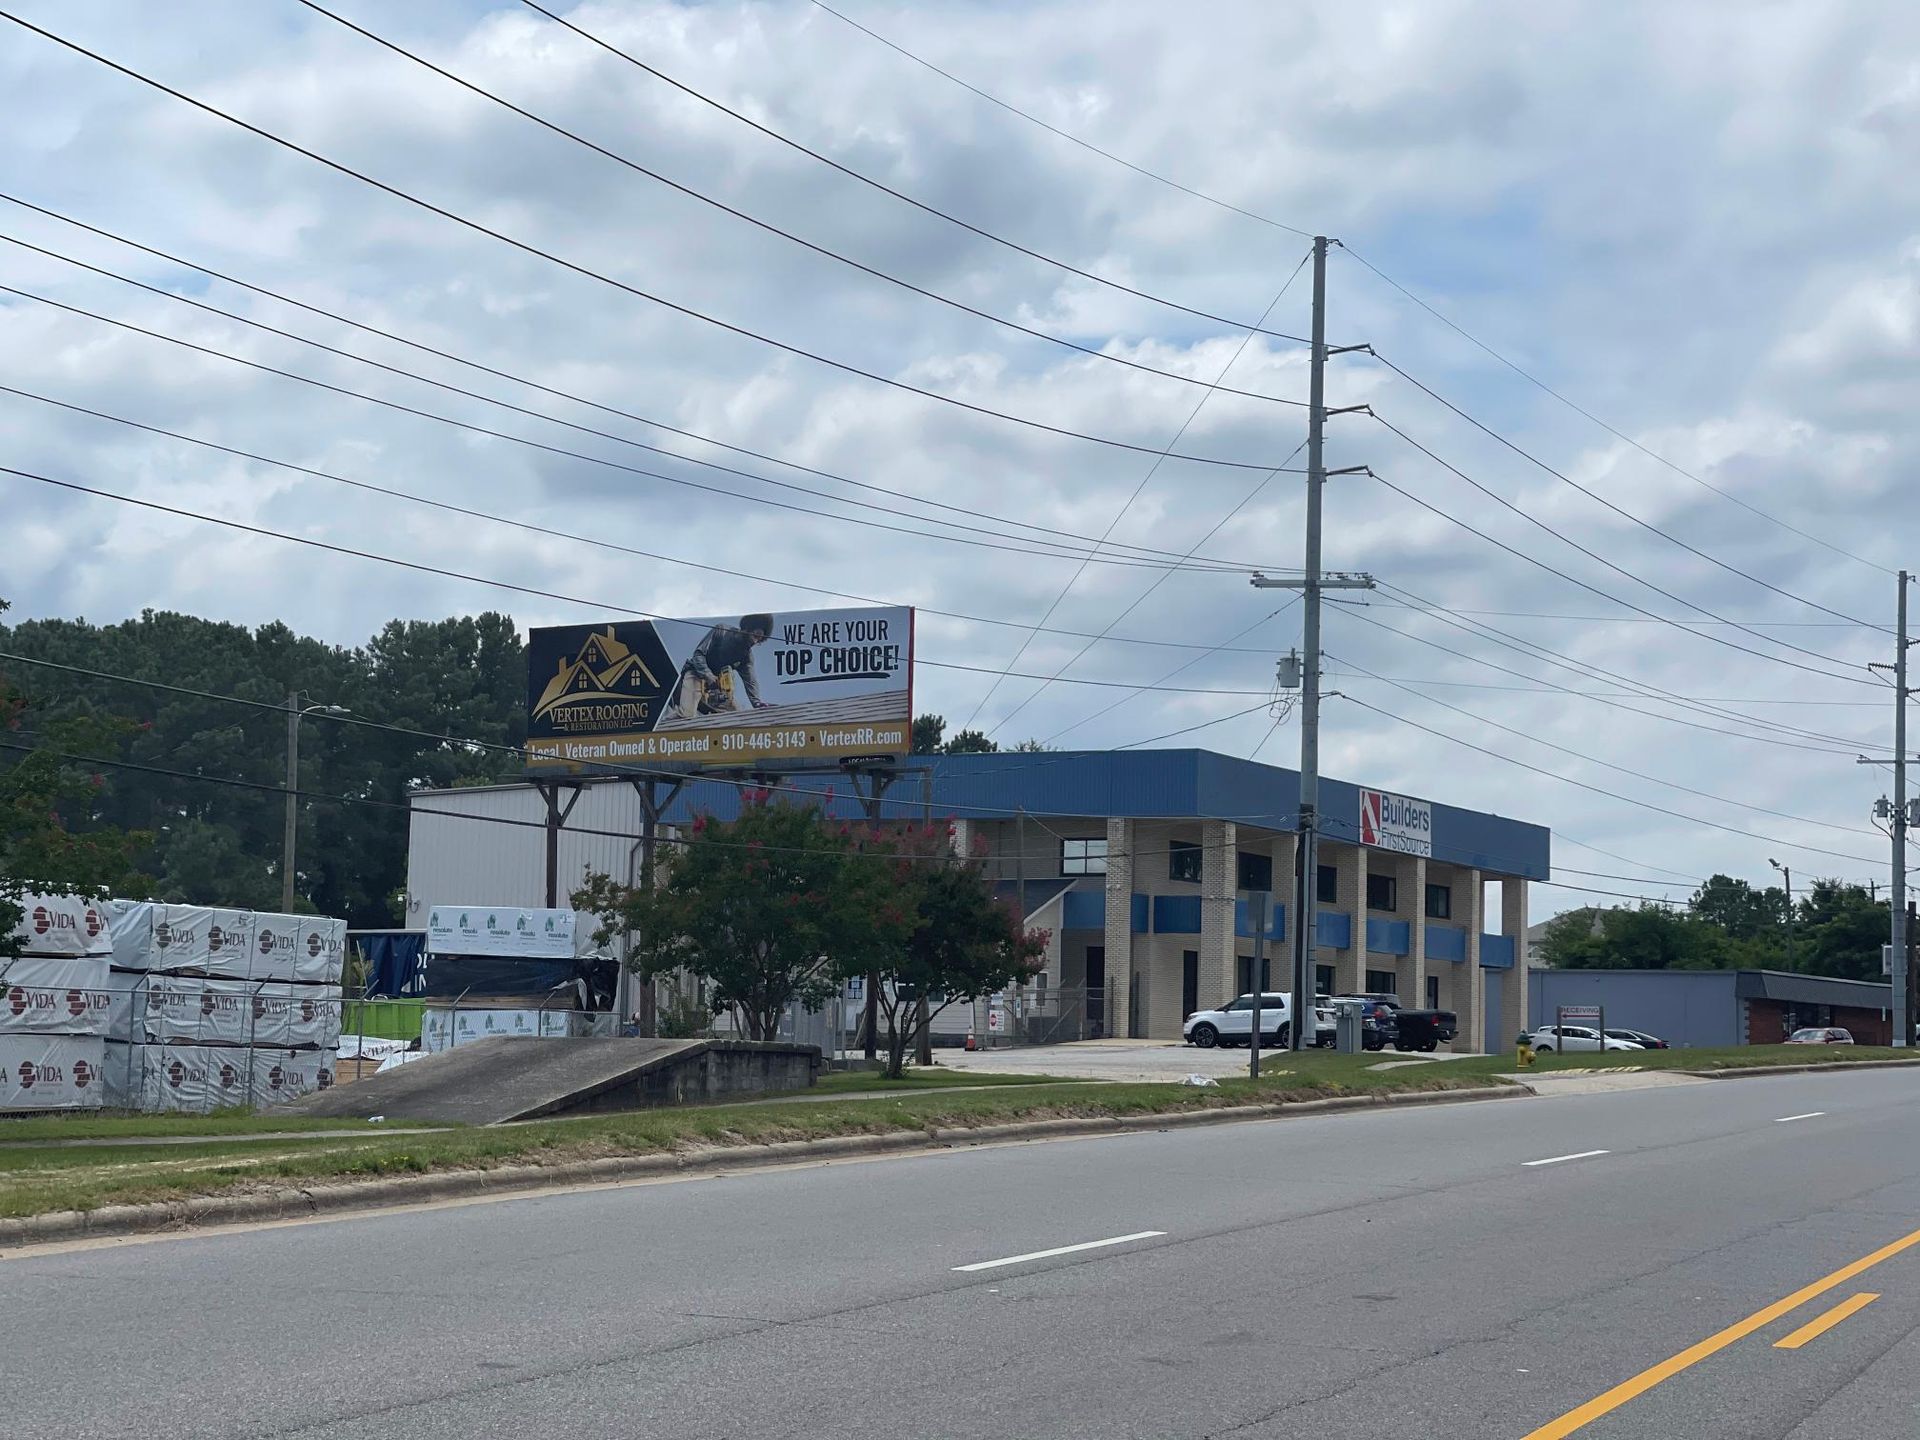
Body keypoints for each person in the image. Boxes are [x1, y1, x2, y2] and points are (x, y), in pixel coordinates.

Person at [673, 613, 774, 720]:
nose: (755, 641)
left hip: (717, 685)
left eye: (759, 640)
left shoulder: (746, 656)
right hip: (696, 673)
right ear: (747, 629)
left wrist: (757, 702)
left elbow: (751, 681)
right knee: (686, 715)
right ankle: (660, 728)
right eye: (756, 635)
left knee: (739, 718)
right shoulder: (722, 631)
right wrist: (708, 675)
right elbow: (699, 654)